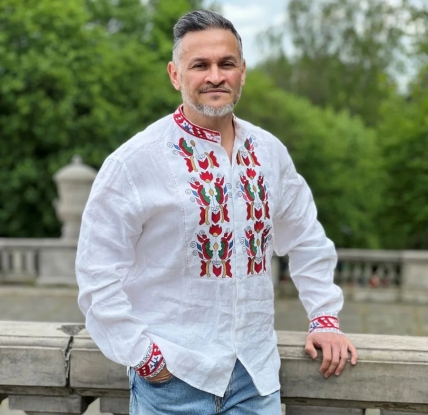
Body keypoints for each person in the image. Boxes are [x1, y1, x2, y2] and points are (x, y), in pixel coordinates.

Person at [76, 9, 358, 415]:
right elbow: (96, 268)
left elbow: (307, 238)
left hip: (255, 380)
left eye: (226, 64)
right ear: (175, 75)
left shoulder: (269, 153)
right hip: (173, 382)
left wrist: (324, 318)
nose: (215, 76)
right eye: (200, 65)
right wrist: (143, 355)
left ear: (242, 72)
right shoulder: (135, 161)